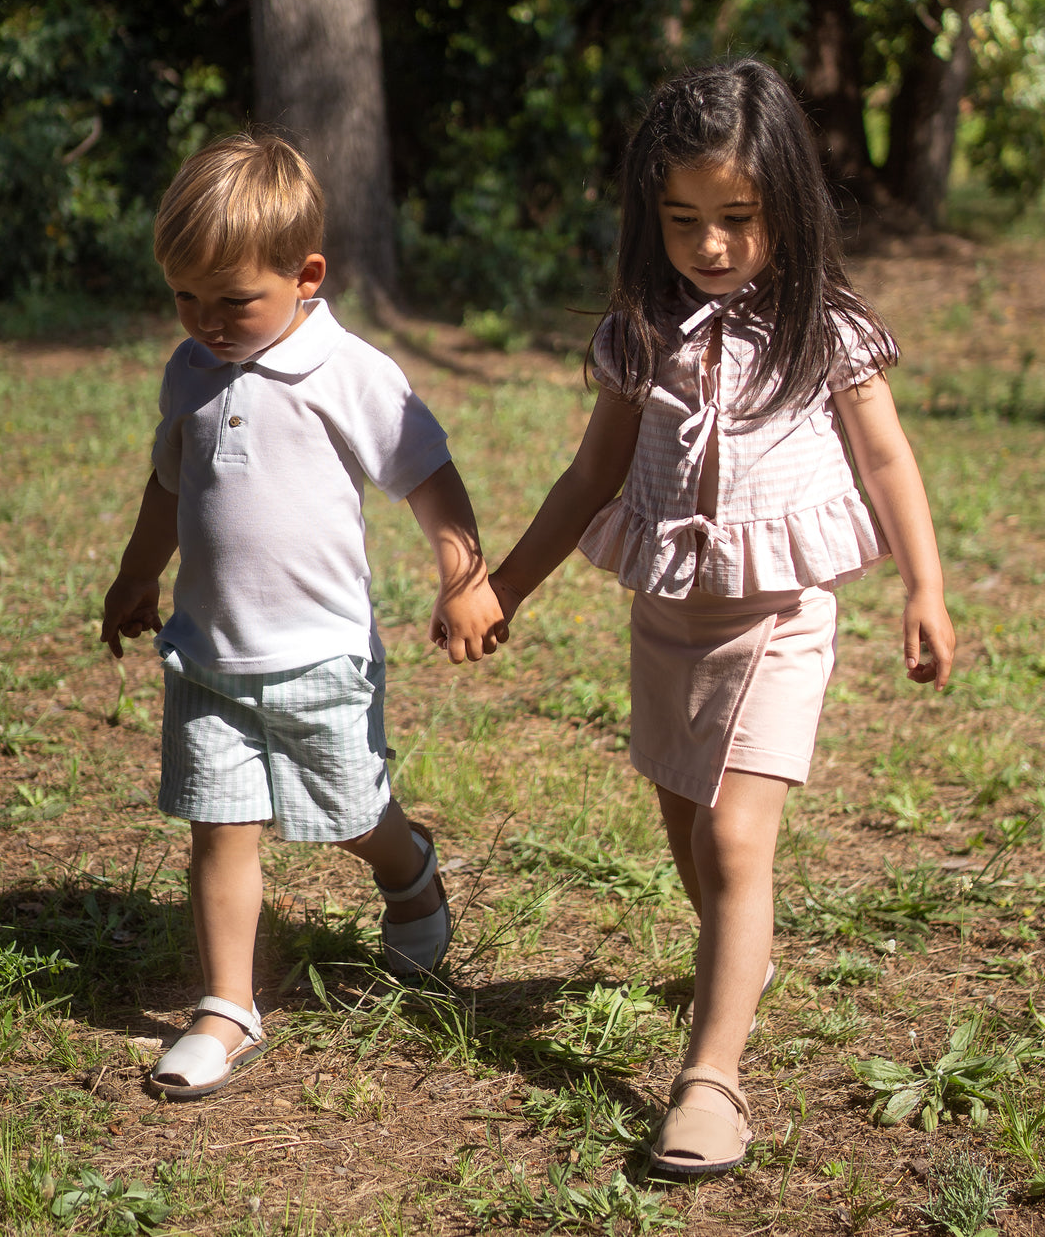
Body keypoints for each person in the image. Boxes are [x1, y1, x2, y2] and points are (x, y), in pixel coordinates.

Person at [488, 59, 954, 1179]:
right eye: (683, 218)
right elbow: (590, 477)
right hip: (671, 618)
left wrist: (925, 587)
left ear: (787, 205)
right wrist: (503, 585)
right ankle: (737, 955)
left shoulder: (825, 331)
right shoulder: (639, 333)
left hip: (781, 619)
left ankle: (712, 1080)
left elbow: (887, 459)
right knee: (688, 821)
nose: (710, 244)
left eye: (738, 218)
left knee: (736, 837)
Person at [101, 132, 505, 1101]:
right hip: (206, 655)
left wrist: (463, 576)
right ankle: (228, 1007)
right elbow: (169, 485)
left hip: (320, 656)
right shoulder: (190, 370)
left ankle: (408, 868)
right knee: (220, 825)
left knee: (348, 816)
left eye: (233, 300)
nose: (207, 322)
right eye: (185, 298)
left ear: (305, 277)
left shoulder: (348, 371)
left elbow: (427, 473)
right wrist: (136, 574)